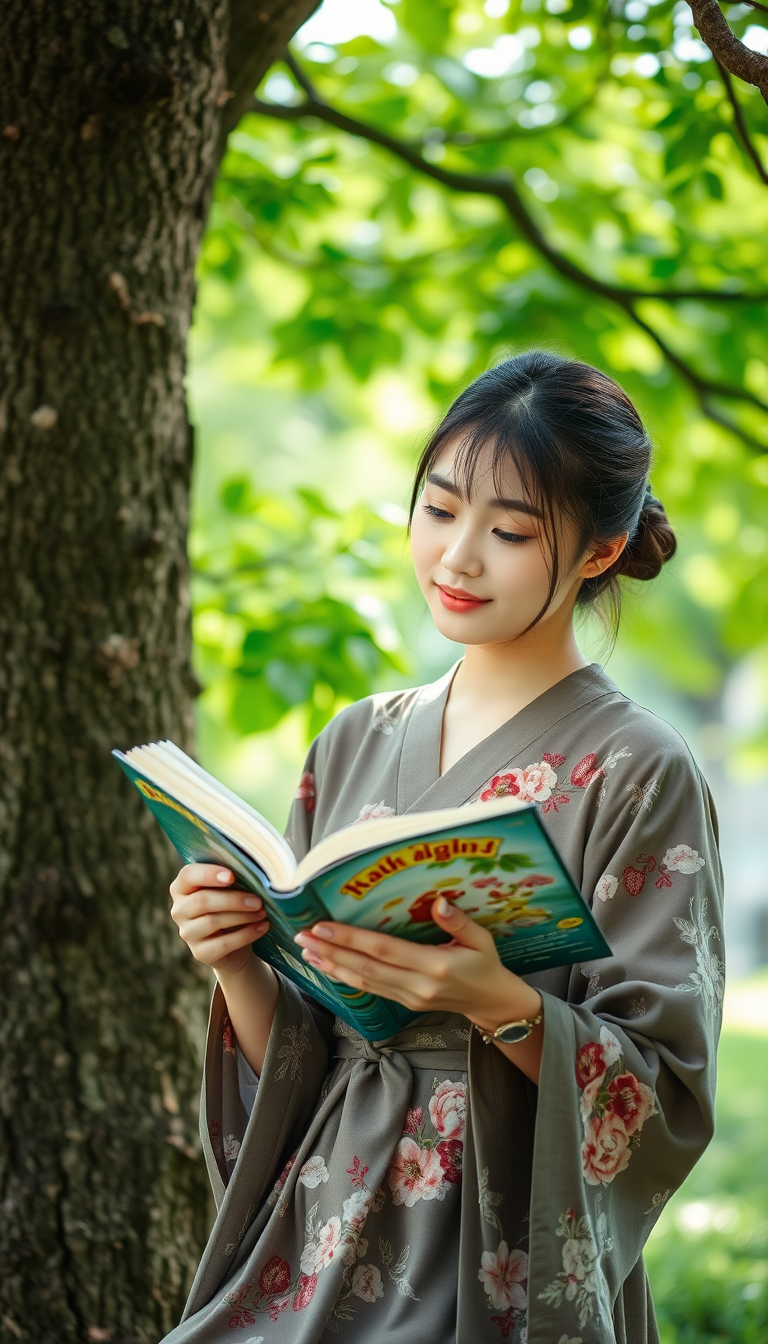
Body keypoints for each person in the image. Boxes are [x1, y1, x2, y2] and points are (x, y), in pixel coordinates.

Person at [164, 350, 724, 1344]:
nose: (457, 557)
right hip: (323, 1228)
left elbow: (665, 1089)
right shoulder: (354, 739)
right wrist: (236, 960)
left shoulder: (639, 767)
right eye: (438, 508)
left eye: (509, 531)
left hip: (499, 1241)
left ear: (598, 551)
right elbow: (303, 1052)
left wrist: (496, 1004)